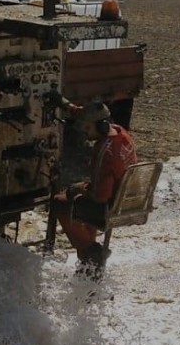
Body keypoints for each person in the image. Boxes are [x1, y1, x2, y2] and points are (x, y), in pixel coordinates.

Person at [51, 101, 137, 276]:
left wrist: (78, 188)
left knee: (59, 203)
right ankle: (87, 262)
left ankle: (91, 252)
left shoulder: (105, 153)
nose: (84, 132)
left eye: (88, 128)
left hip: (108, 205)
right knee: (78, 202)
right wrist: (65, 103)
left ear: (101, 127)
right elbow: (86, 114)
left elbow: (99, 196)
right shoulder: (120, 132)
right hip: (126, 199)